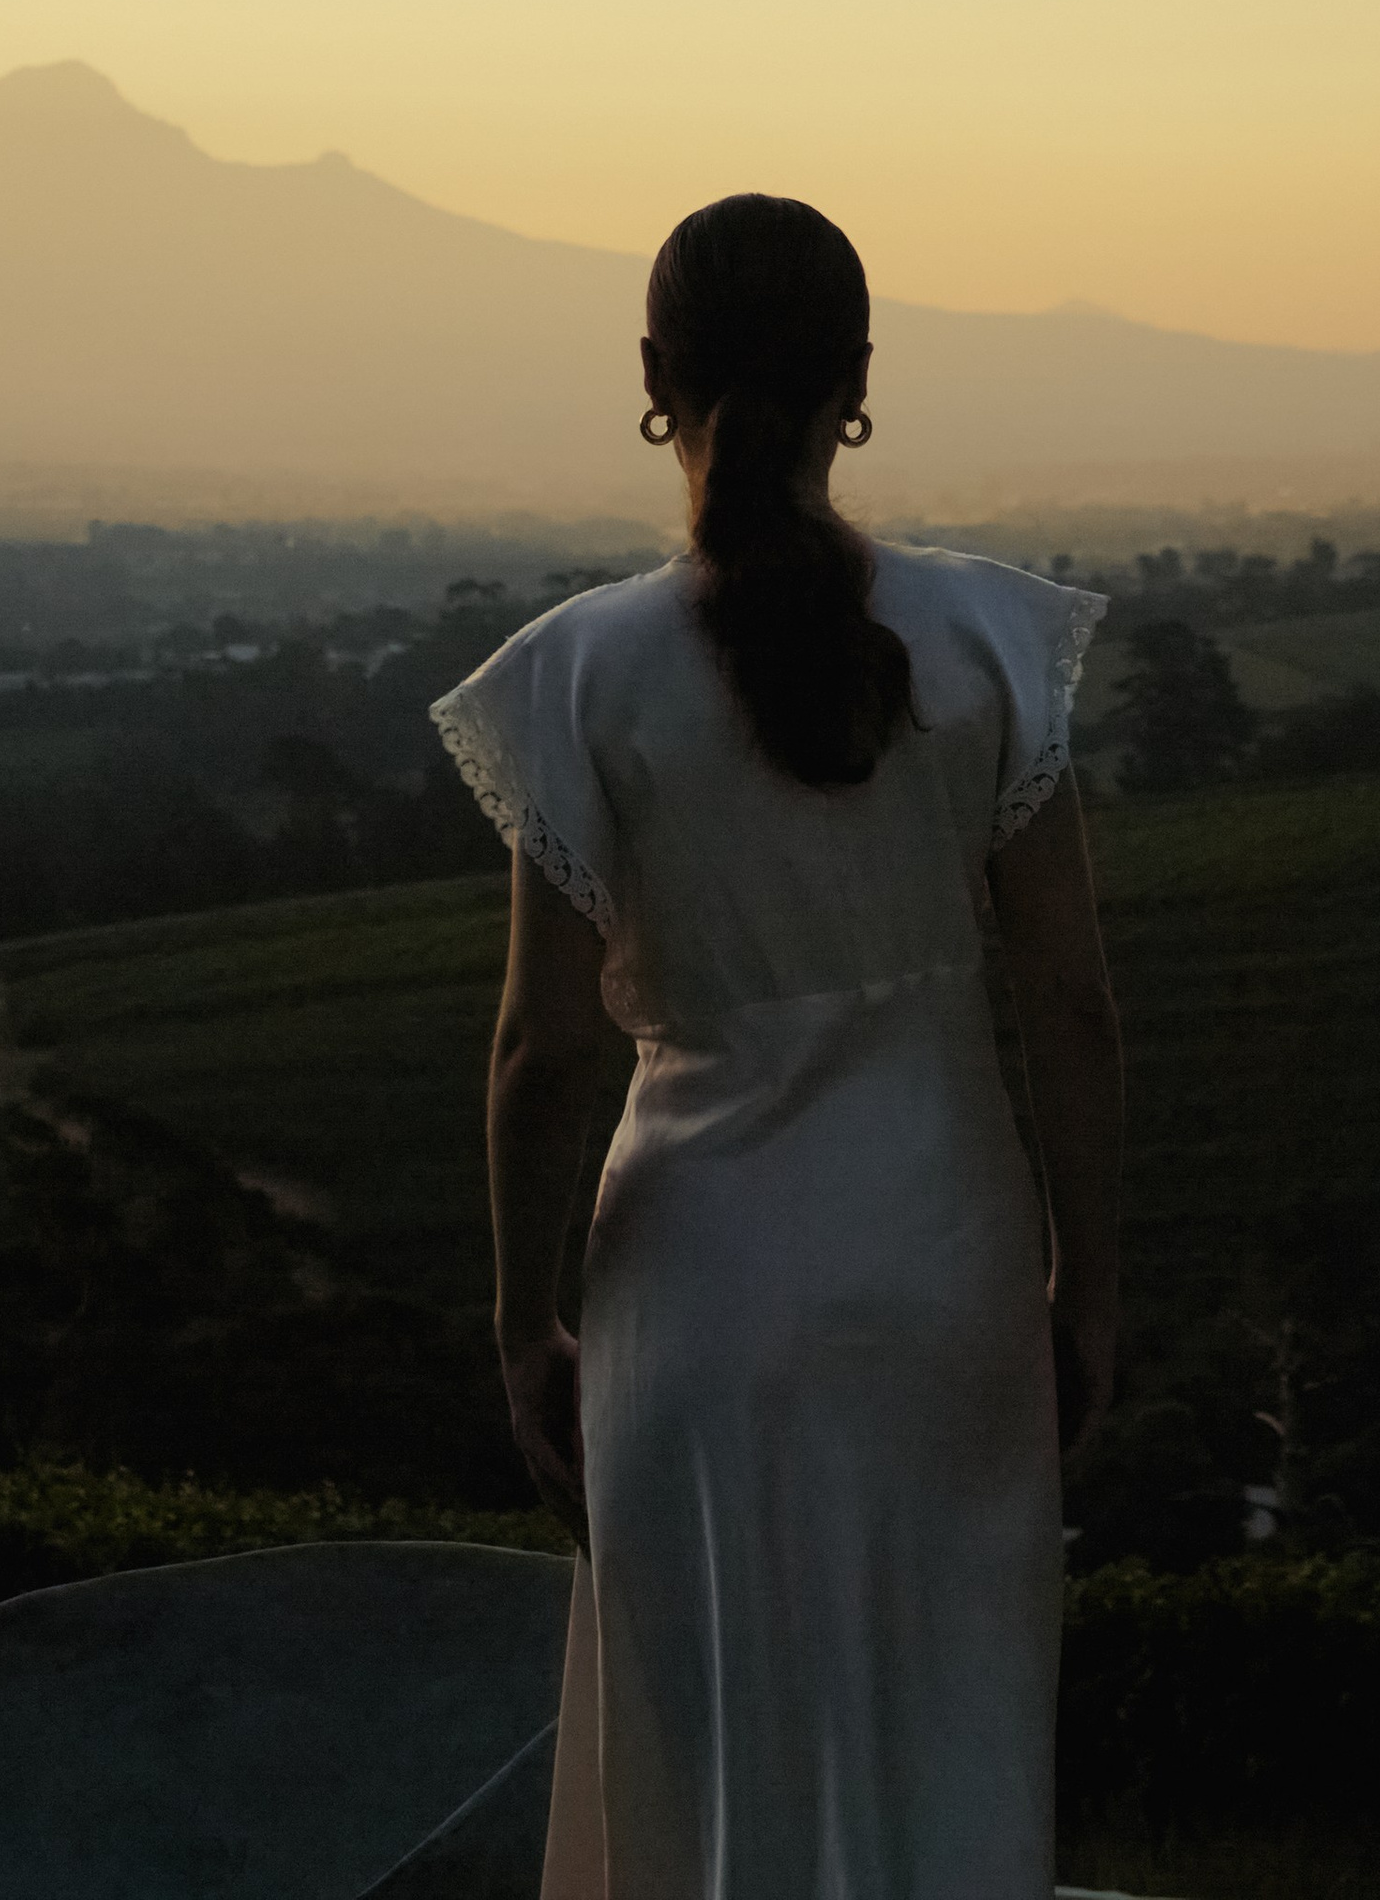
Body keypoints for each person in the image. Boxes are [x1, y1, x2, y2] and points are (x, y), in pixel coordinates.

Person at [431, 191, 1122, 1900]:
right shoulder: (988, 645)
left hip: (698, 1296)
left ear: (655, 377)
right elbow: (1071, 1000)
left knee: (713, 1753)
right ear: (861, 381)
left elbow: (542, 1053)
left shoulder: (581, 678)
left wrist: (524, 1319)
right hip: (946, 1270)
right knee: (944, 1737)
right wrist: (1086, 1288)